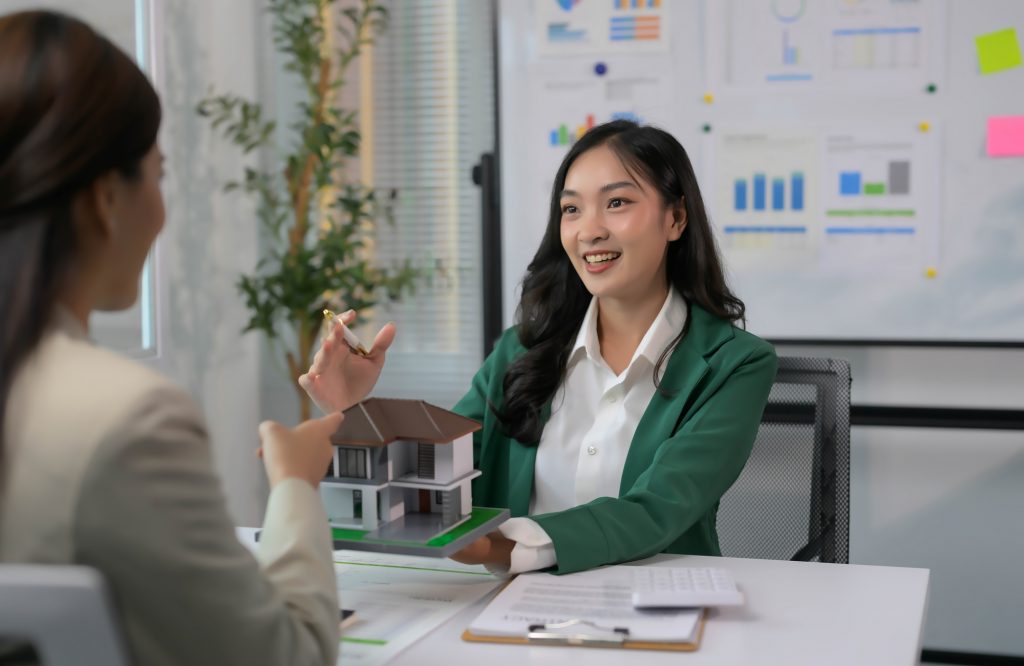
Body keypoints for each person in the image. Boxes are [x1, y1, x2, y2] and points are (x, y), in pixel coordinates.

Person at [0, 11, 341, 666]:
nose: (161, 207)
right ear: (106, 199)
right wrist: (295, 484)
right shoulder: (127, 420)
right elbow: (285, 655)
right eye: (158, 175)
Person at [302, 120, 777, 575]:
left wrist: (503, 548)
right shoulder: (520, 352)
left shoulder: (734, 365)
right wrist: (353, 413)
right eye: (572, 209)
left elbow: (659, 509)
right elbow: (445, 468)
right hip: (509, 610)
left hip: (654, 610)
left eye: (617, 203)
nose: (588, 230)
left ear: (675, 219)